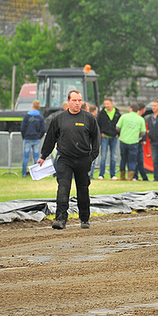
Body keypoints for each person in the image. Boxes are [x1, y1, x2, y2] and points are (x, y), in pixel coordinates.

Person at [38, 90, 100, 230]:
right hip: (65, 159)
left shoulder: (89, 118)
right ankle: (60, 219)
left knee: (83, 190)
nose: (77, 103)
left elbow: (96, 139)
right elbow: (50, 138)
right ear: (68, 102)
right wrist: (43, 156)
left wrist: (92, 157)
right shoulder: (59, 118)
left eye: (79, 101)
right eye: (74, 100)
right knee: (63, 189)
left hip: (83, 159)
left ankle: (84, 219)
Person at [116, 103, 147, 181]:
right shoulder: (140, 119)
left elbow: (117, 127)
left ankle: (122, 176)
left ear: (131, 109)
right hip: (134, 142)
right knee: (132, 160)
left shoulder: (124, 116)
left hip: (123, 140)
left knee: (123, 159)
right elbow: (143, 132)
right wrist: (137, 135)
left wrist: (123, 133)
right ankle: (130, 177)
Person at [97, 98, 121, 180]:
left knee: (113, 156)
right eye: (105, 104)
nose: (106, 106)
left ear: (112, 104)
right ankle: (101, 174)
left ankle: (113, 174)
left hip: (114, 137)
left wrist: (118, 133)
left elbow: (120, 124)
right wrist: (101, 133)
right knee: (103, 156)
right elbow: (98, 124)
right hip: (105, 137)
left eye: (108, 104)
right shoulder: (102, 113)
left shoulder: (117, 113)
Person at [20, 100, 46, 177]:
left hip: (27, 138)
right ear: (39, 107)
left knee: (25, 156)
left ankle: (24, 173)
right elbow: (43, 129)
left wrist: (24, 136)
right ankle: (35, 174)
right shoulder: (40, 117)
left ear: (32, 106)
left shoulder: (27, 116)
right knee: (36, 157)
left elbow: (22, 128)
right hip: (36, 139)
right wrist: (39, 137)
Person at [133, 102, 149, 181]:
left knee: (136, 159)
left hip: (133, 140)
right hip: (137, 141)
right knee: (139, 159)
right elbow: (143, 131)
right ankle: (142, 177)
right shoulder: (140, 118)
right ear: (143, 109)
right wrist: (143, 139)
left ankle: (136, 176)